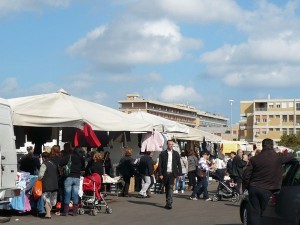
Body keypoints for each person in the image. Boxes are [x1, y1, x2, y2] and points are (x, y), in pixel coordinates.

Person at [243, 138, 294, 225]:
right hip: (269, 189)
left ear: (262, 146)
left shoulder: (254, 159)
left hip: (254, 188)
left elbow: (246, 175)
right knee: (265, 213)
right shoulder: (278, 157)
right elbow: (291, 155)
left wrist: (248, 186)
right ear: (272, 146)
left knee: (255, 213)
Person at [59, 147, 85, 216]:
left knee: (67, 194)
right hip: (77, 177)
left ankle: (65, 211)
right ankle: (74, 212)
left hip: (69, 177)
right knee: (75, 194)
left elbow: (60, 163)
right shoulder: (81, 158)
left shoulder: (69, 156)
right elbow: (83, 167)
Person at [158, 140, 182, 210]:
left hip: (172, 173)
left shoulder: (176, 153)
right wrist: (160, 174)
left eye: (172, 144)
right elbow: (160, 165)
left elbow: (179, 164)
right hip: (165, 173)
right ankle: (167, 202)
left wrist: (180, 174)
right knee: (167, 188)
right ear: (167, 145)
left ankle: (170, 203)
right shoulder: (162, 154)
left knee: (171, 187)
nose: (171, 146)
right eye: (170, 144)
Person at [38, 152, 59, 219]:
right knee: (52, 200)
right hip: (55, 184)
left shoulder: (44, 164)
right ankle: (48, 213)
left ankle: (48, 214)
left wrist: (38, 179)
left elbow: (41, 175)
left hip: (47, 185)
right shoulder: (53, 164)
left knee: (46, 199)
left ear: (43, 158)